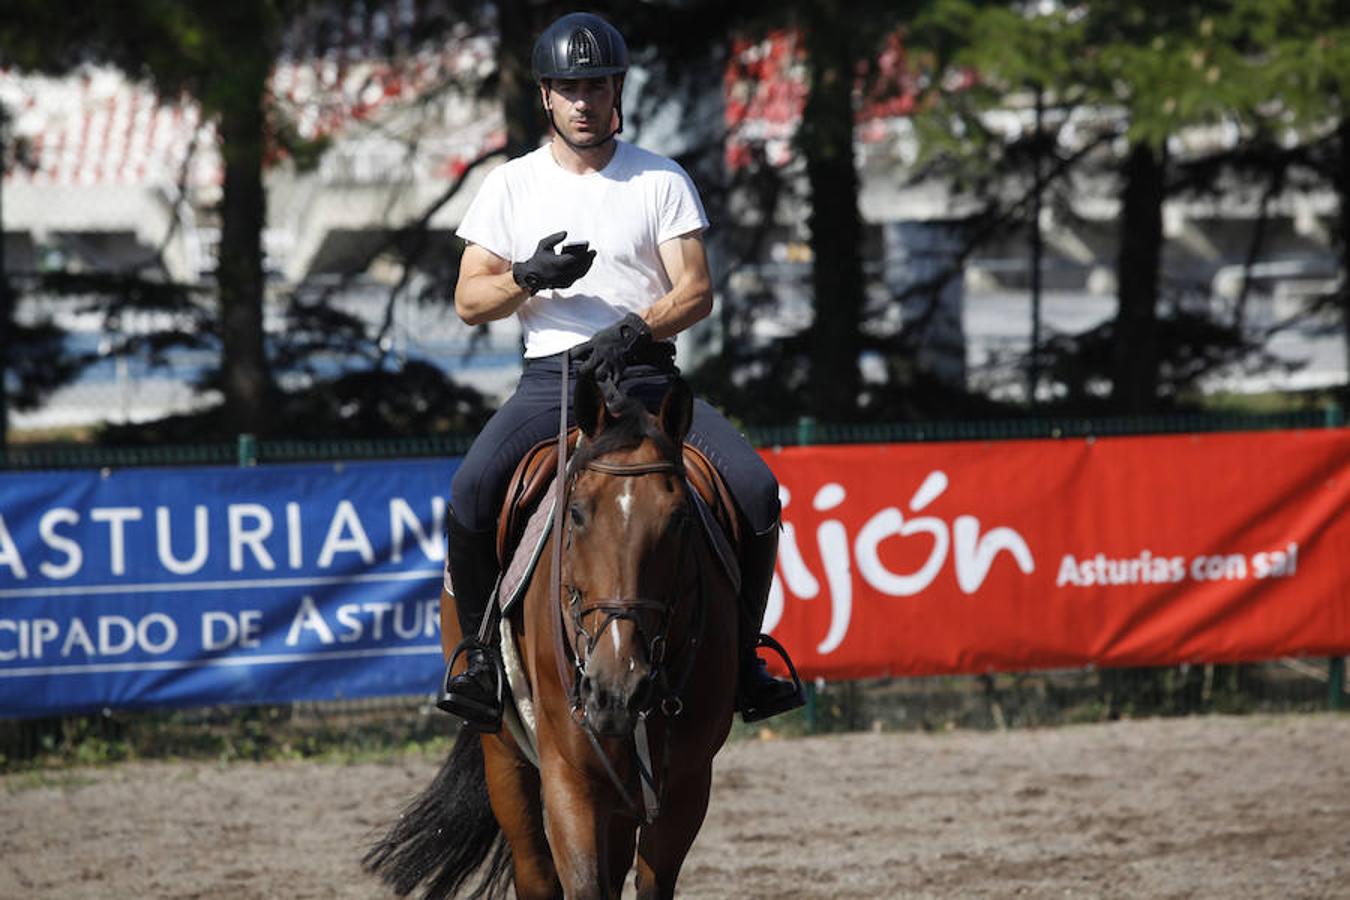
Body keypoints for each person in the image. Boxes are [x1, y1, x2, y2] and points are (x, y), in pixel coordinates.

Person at [437, 11, 803, 732]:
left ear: (617, 92)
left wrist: (633, 328)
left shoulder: (659, 179)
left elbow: (695, 291)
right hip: (553, 381)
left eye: (596, 87)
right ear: (546, 95)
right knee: (472, 491)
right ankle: (479, 662)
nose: (583, 101)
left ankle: (747, 660)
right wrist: (528, 275)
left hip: (645, 379)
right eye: (569, 89)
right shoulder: (509, 185)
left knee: (758, 491)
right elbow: (469, 300)